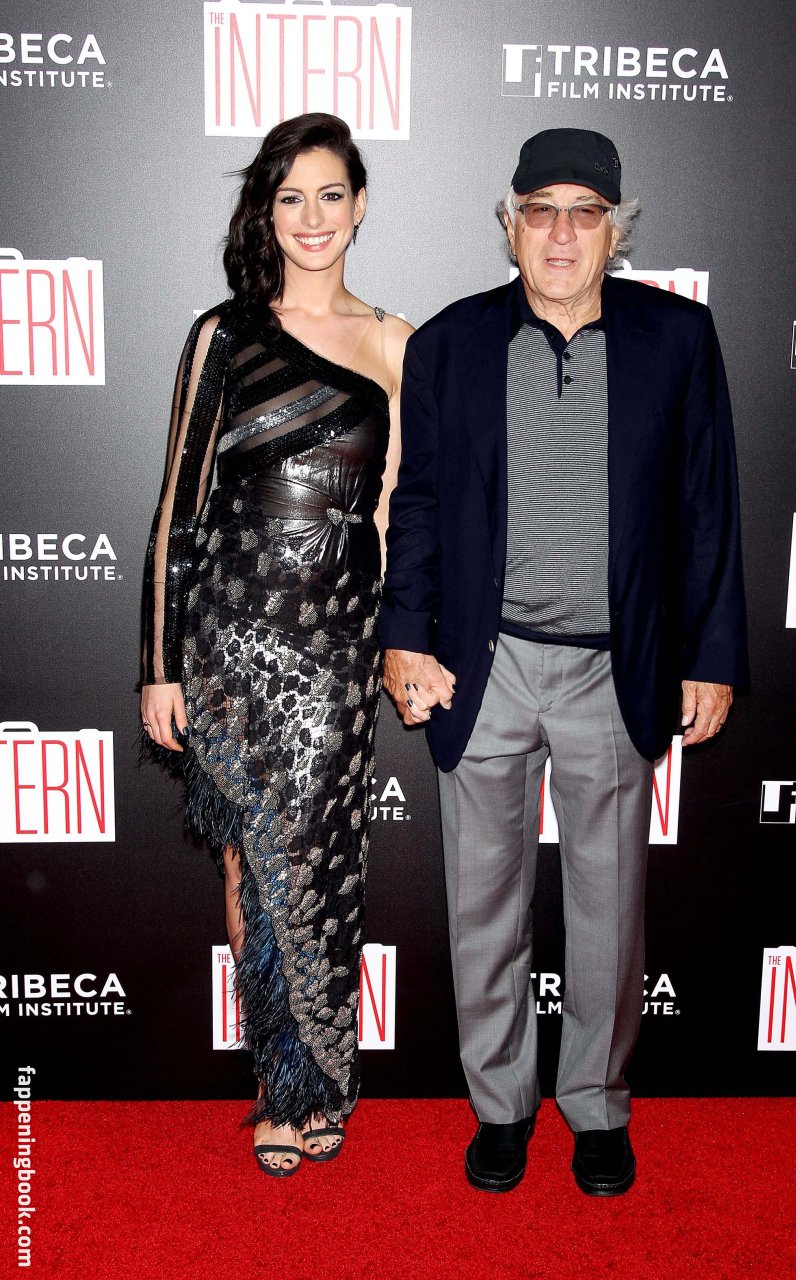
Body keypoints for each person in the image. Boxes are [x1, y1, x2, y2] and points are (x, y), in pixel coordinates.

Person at [381, 127, 747, 1196]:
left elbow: (708, 506)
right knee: (482, 906)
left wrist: (710, 654)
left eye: (584, 213)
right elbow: (418, 504)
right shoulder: (448, 343)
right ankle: (500, 1106)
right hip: (481, 667)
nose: (558, 233)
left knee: (607, 909)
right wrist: (404, 636)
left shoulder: (677, 337)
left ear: (614, 232)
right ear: (509, 224)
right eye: (538, 210)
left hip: (614, 668)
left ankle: (594, 1104)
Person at [141, 112, 412, 1177]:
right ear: (267, 210)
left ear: (359, 204)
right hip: (229, 643)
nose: (311, 217)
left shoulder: (397, 343)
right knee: (252, 865)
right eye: (289, 197)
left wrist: (397, 641)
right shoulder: (224, 333)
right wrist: (159, 664)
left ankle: (326, 1078)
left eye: (330, 194)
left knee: (328, 868)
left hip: (339, 650)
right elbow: (178, 507)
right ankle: (278, 1087)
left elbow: (395, 512)